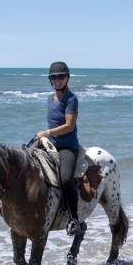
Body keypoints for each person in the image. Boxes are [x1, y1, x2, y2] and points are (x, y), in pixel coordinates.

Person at [36, 62, 84, 236]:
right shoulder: (50, 99)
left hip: (67, 146)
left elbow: (69, 126)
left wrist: (46, 132)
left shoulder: (71, 98)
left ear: (67, 78)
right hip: (51, 144)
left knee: (65, 179)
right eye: (54, 77)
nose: (57, 80)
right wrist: (44, 137)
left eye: (60, 76)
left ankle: (74, 219)